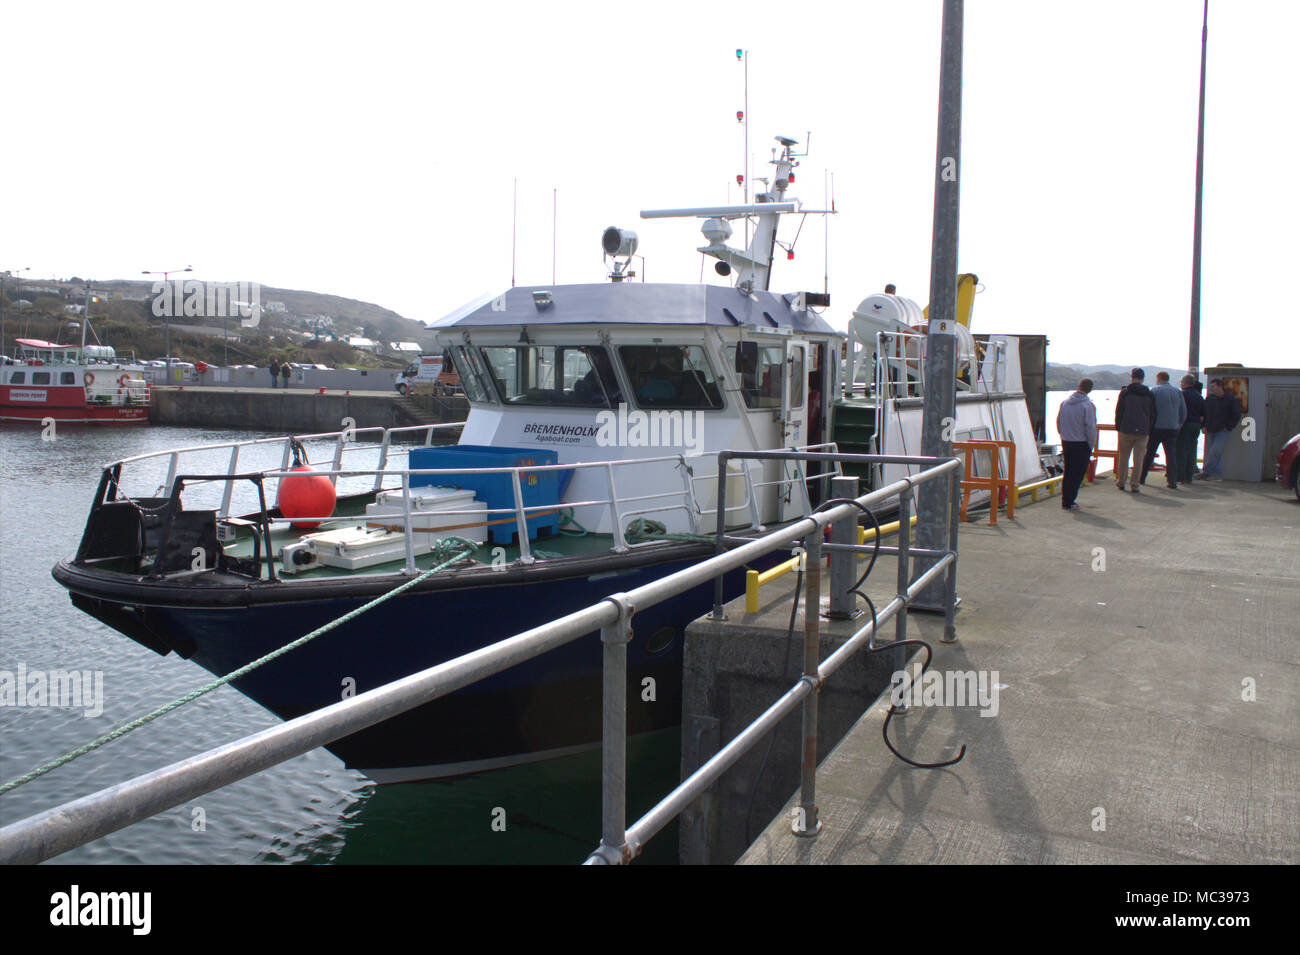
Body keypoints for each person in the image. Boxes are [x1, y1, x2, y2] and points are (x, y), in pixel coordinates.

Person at [1055, 377, 1097, 510]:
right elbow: (1090, 427)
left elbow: (1059, 422)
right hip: (1081, 443)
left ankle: (1065, 499)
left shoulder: (1065, 403)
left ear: (1078, 386)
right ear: (1090, 389)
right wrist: (1091, 444)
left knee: (1068, 472)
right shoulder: (1087, 405)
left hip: (1067, 441)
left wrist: (1063, 435)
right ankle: (1070, 500)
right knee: (1077, 474)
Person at [1141, 371, 1186, 488]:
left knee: (1149, 453)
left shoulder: (1154, 391)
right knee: (1171, 455)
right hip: (1172, 427)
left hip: (1156, 427)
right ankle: (1172, 481)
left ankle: (1141, 478)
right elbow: (1183, 411)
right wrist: (1179, 423)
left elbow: (1149, 409)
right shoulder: (1177, 391)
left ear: (1158, 378)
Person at [1114, 367, 1155, 492]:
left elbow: (1119, 411)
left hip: (1126, 429)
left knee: (1124, 457)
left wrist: (1118, 426)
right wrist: (1149, 429)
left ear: (1132, 377)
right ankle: (1135, 484)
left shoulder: (1125, 392)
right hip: (1143, 430)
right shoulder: (1149, 393)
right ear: (1143, 379)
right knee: (1138, 459)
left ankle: (1121, 482)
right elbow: (1153, 414)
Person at [1201, 378, 1241, 481]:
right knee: (1215, 453)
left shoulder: (1230, 399)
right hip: (1210, 429)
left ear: (1220, 386)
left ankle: (1206, 473)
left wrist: (1228, 426)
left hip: (1222, 431)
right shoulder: (1209, 399)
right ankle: (1217, 475)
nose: (1211, 389)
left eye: (1213, 386)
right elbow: (1204, 413)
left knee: (1214, 452)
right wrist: (1203, 425)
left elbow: (1236, 414)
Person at [1177, 375, 1205, 483]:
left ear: (1185, 383)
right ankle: (1189, 476)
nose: (1180, 383)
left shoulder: (1182, 394)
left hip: (1185, 424)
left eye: (1181, 381)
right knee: (1192, 450)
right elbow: (1203, 412)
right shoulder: (1199, 396)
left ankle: (1181, 475)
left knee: (1182, 450)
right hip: (1196, 424)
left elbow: (1179, 409)